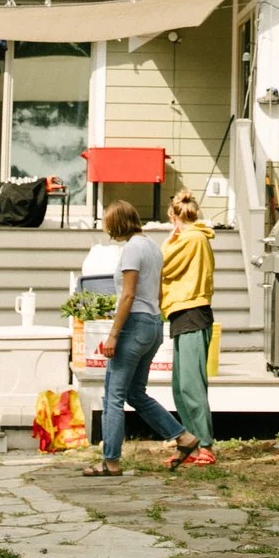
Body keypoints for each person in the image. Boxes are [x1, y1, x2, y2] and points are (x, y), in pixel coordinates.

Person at [87, 200, 196, 476]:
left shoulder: (132, 249)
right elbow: (157, 291)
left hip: (133, 325)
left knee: (113, 396)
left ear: (118, 223)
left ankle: (111, 462)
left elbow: (128, 294)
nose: (106, 228)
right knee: (135, 393)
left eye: (108, 223)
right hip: (153, 324)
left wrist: (113, 334)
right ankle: (183, 437)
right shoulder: (152, 247)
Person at [159, 190, 217, 468]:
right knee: (180, 387)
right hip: (182, 312)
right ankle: (191, 443)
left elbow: (162, 264)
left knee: (192, 385)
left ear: (173, 216)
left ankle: (205, 444)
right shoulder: (191, 238)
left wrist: (170, 238)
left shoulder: (192, 239)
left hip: (193, 311)